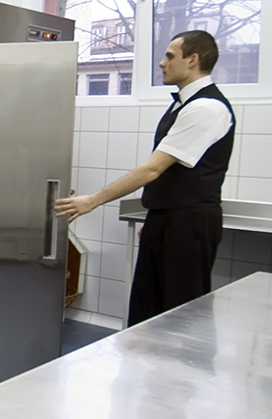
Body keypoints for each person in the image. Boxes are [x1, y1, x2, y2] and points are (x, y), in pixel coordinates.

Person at [54, 31, 234, 326]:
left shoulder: (206, 108)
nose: (162, 63)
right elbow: (173, 174)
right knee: (149, 308)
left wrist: (92, 201)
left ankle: (185, 372)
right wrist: (157, 218)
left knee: (181, 314)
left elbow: (153, 169)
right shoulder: (185, 104)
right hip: (170, 220)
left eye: (170, 56)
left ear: (193, 60)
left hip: (189, 225)